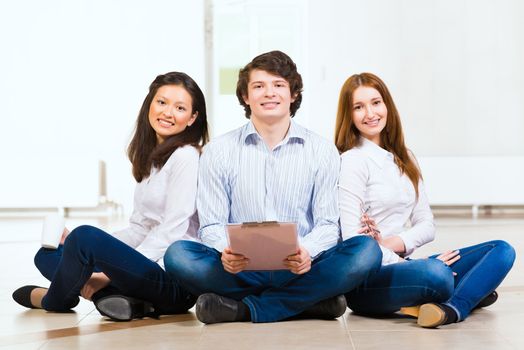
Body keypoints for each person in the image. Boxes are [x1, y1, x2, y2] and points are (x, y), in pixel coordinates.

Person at [164, 51, 382, 324]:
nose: (269, 93)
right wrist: (225, 251)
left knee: (366, 251)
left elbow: (328, 224)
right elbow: (210, 226)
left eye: (278, 85)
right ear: (245, 96)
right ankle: (307, 302)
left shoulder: (321, 150)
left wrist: (307, 252)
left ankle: (246, 309)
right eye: (258, 86)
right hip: (239, 270)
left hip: (302, 267)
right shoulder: (218, 151)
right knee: (178, 255)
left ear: (293, 94)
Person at [12, 71, 209, 321]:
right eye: (162, 102)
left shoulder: (186, 156)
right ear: (149, 104)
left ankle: (54, 299)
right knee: (49, 254)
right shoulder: (153, 158)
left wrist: (104, 271)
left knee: (85, 237)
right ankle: (113, 299)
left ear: (192, 118)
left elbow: (173, 230)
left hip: (172, 282)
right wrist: (78, 246)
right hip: (143, 270)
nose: (168, 113)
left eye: (180, 108)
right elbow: (139, 229)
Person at [335, 72, 516, 328]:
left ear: (387, 104)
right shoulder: (352, 161)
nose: (370, 113)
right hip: (368, 279)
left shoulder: (405, 157)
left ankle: (450, 307)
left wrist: (393, 242)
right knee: (437, 273)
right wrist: (410, 261)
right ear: (349, 115)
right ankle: (466, 294)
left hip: (403, 264)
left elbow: (427, 224)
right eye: (358, 107)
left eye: (376, 102)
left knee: (501, 250)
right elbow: (353, 242)